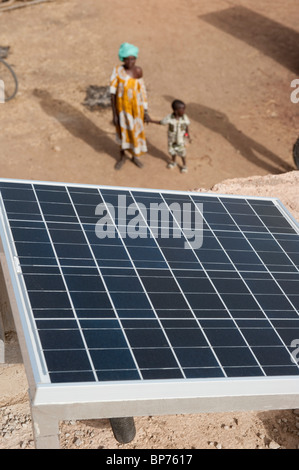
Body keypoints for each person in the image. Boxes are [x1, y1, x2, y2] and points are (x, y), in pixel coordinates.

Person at [110, 42, 150, 170]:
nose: (130, 62)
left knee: (135, 133)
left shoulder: (138, 71)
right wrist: (115, 114)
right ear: (123, 58)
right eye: (127, 59)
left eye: (133, 58)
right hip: (122, 110)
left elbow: (142, 90)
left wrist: (145, 110)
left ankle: (134, 157)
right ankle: (122, 157)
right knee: (123, 133)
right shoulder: (117, 71)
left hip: (136, 110)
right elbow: (112, 95)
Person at [148, 99, 191, 173]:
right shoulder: (169, 118)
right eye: (182, 109)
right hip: (172, 140)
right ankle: (173, 162)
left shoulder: (184, 118)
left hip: (181, 140)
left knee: (182, 153)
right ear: (176, 111)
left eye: (184, 109)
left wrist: (187, 135)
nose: (184, 111)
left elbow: (186, 126)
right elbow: (161, 122)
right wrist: (150, 120)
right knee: (172, 151)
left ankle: (184, 165)